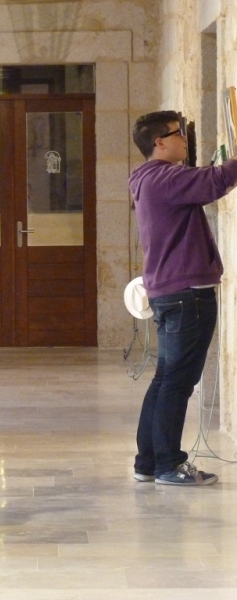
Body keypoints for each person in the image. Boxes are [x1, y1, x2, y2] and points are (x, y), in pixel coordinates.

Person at [129, 111, 237, 486]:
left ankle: (148, 462)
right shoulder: (163, 178)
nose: (184, 140)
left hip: (173, 292)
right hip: (186, 295)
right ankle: (168, 465)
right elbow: (215, 181)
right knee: (176, 382)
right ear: (158, 142)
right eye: (178, 134)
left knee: (165, 379)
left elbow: (203, 181)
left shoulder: (148, 179)